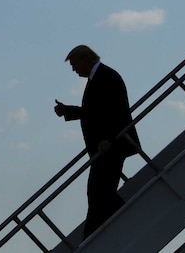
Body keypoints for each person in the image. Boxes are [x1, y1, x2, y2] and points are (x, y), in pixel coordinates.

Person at [54, 45, 140, 240]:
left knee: (99, 194)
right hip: (107, 148)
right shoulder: (101, 76)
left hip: (111, 147)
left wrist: (108, 139)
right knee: (98, 194)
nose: (74, 69)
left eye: (75, 64)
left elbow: (115, 111)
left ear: (86, 60)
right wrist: (68, 110)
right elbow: (95, 112)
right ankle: (96, 236)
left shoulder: (106, 77)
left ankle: (93, 239)